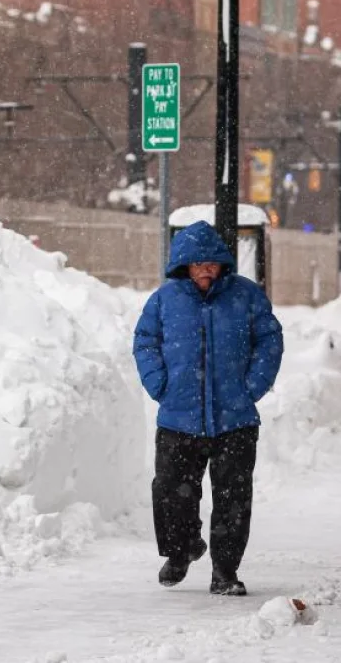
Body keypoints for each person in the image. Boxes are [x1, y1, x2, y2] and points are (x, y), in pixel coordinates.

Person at [132, 220, 284, 596]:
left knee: (233, 499)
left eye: (211, 263)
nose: (204, 270)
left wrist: (252, 387)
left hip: (235, 418)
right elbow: (145, 342)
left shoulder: (246, 296)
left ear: (221, 264)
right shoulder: (164, 300)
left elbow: (269, 341)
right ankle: (182, 549)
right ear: (183, 265)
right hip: (178, 417)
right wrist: (160, 384)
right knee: (170, 492)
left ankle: (225, 572)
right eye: (197, 263)